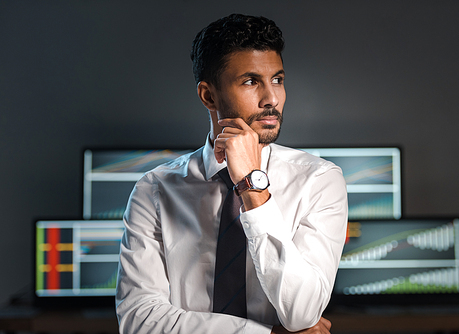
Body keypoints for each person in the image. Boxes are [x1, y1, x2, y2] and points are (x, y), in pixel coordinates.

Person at [115, 13, 348, 334]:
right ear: (208, 96)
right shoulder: (154, 190)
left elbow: (302, 313)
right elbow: (139, 321)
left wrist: (253, 186)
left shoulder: (319, 180)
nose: (272, 99)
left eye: (277, 80)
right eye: (251, 82)